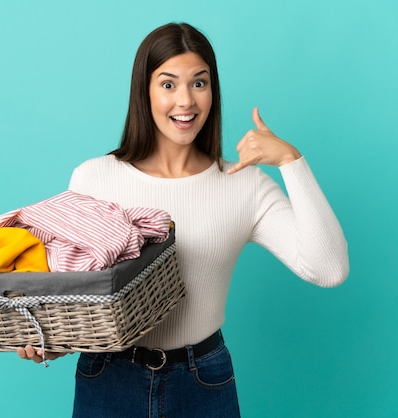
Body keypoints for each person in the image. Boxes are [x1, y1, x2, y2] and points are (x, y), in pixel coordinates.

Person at [17, 22, 349, 417]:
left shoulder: (244, 185)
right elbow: (78, 290)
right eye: (168, 84)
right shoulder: (94, 177)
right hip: (109, 377)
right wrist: (55, 340)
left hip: (202, 381)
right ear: (145, 91)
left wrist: (291, 162)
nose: (186, 102)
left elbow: (329, 269)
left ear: (213, 91)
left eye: (199, 83)